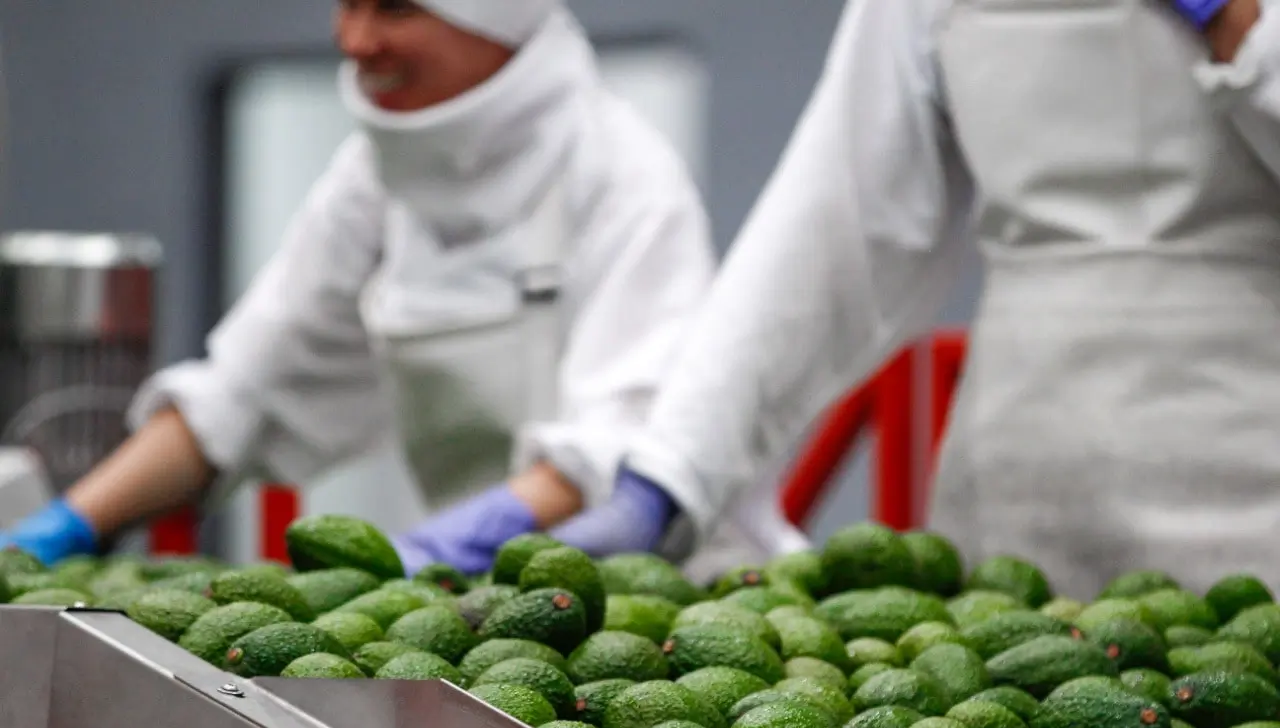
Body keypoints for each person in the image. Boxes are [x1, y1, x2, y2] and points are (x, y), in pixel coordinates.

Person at [0, 0, 807, 578]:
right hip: (477, 612)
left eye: (394, 7)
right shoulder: (372, 180)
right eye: (346, 3)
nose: (354, 39)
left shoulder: (623, 175)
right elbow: (242, 393)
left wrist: (455, 543)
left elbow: (620, 444)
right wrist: (66, 524)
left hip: (664, 604)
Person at [549, 0, 1280, 600]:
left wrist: (1245, 29)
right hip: (1019, 475)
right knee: (1004, 720)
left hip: (1247, 474)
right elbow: (837, 219)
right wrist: (672, 472)